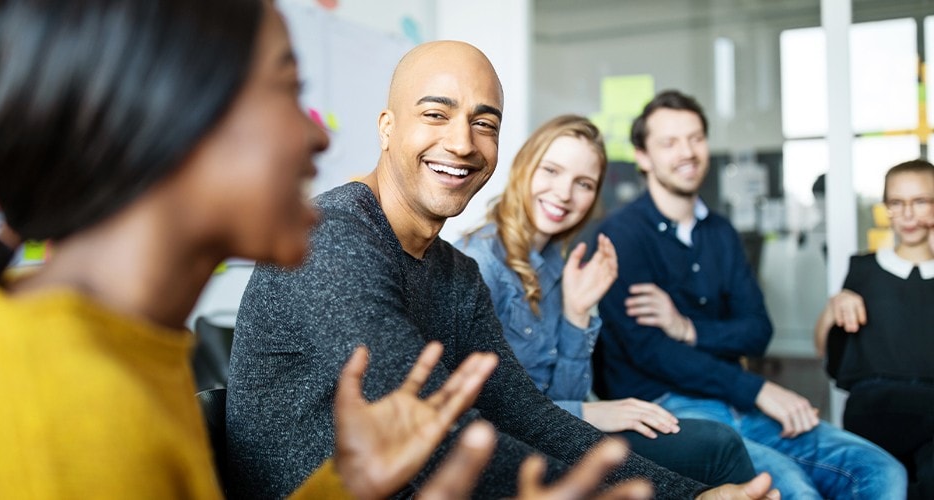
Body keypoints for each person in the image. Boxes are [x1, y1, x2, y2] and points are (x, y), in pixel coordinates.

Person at [0, 0, 515, 497]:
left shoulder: (124, 349)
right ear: (175, 123)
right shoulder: (59, 410)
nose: (320, 134)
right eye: (288, 90)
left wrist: (345, 484)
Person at [228, 41, 778, 499]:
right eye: (435, 114)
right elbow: (438, 434)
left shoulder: (457, 274)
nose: (463, 142)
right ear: (387, 127)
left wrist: (688, 494)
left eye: (483, 123)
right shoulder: (334, 236)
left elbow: (525, 414)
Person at [581, 88, 907, 499]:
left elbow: (757, 330)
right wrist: (757, 389)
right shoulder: (620, 236)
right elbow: (650, 352)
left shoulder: (721, 232)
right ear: (643, 156)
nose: (688, 152)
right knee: (793, 489)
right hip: (670, 410)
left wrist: (687, 329)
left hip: (737, 400)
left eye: (696, 138)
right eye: (670, 142)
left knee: (880, 471)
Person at [454, 114, 756, 486]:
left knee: (717, 445)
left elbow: (561, 395)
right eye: (551, 171)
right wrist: (591, 412)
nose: (565, 193)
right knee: (719, 448)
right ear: (524, 167)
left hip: (552, 437)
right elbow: (482, 409)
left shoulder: (554, 264)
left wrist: (577, 313)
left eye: (583, 183)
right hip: (507, 453)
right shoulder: (479, 264)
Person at [814, 159, 934, 500]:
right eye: (897, 203)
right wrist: (833, 306)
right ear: (887, 209)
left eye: (920, 201)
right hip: (875, 408)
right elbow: (824, 350)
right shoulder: (863, 270)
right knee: (878, 480)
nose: (908, 214)